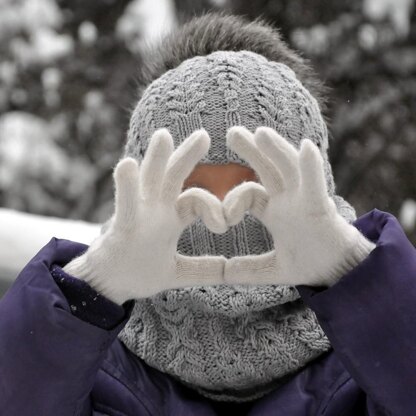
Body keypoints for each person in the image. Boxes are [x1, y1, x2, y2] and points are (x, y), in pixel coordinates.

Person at [1, 11, 415, 416]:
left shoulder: (375, 362)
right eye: (191, 188)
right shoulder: (80, 363)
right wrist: (89, 292)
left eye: (252, 186)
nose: (222, 215)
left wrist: (355, 275)